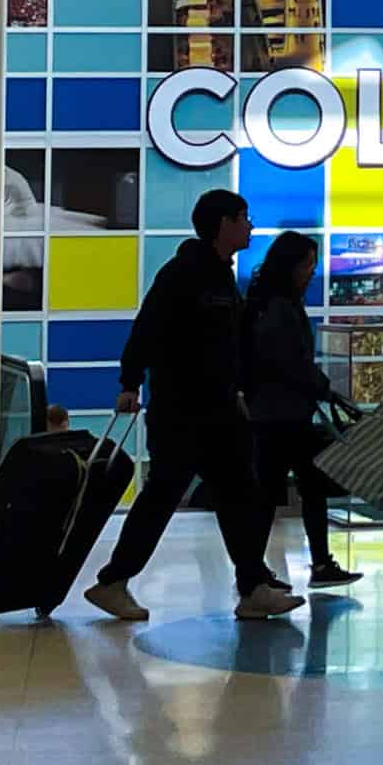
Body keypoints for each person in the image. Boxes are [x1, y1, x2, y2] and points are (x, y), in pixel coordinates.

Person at [83, 189, 304, 623]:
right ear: (222, 224)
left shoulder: (221, 275)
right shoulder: (184, 273)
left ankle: (252, 585)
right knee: (165, 495)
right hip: (183, 411)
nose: (250, 226)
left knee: (239, 493)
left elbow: (229, 346)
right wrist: (129, 381)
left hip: (217, 409)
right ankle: (113, 580)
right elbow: (147, 327)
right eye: (243, 218)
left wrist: (240, 390)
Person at [242, 231, 364, 590]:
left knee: (283, 491)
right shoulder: (281, 306)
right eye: (308, 264)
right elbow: (289, 360)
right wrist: (321, 386)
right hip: (285, 414)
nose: (312, 271)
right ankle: (267, 569)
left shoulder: (265, 301)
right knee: (295, 490)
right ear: (291, 265)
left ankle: (259, 568)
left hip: (273, 411)